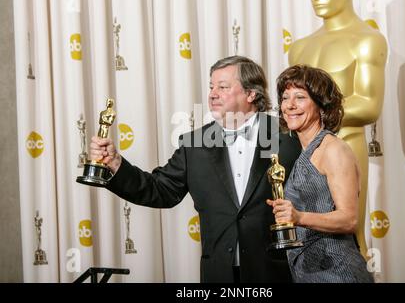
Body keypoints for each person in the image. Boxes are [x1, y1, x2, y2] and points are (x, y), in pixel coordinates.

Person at [89, 56, 302, 283]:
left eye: (223, 87)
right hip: (218, 274)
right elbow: (159, 190)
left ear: (251, 94)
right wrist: (115, 163)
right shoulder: (195, 144)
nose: (212, 94)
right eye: (211, 87)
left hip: (275, 273)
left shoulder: (289, 137)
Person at [288, 0, 388, 257]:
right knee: (302, 233)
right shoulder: (298, 48)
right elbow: (291, 104)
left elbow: (369, 105)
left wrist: (309, 115)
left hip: (346, 144)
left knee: (351, 239)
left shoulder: (368, 40)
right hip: (303, 151)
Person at [267, 65, 374, 283]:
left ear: (320, 105)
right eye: (285, 97)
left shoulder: (333, 149)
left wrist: (299, 217)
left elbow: (349, 219)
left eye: (300, 97)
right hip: (310, 273)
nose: (290, 105)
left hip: (338, 273)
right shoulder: (305, 152)